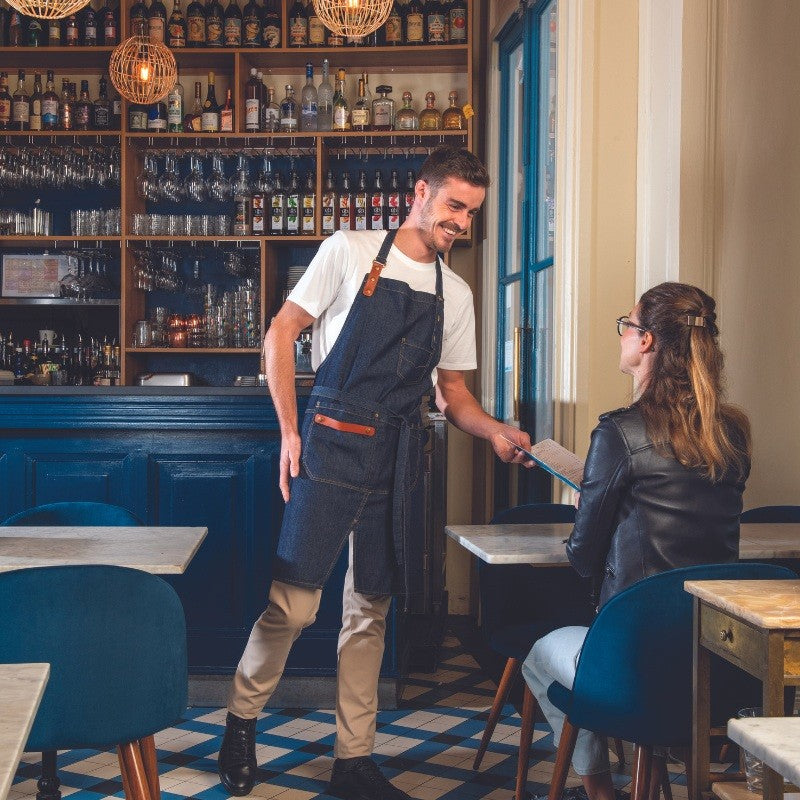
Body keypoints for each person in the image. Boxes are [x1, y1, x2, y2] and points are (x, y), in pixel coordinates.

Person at [218, 147, 533, 800]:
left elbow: (454, 397)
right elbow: (281, 333)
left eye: (471, 213)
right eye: (453, 206)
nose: (461, 224)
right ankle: (241, 719)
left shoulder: (459, 295)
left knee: (369, 612)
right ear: (421, 192)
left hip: (398, 457)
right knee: (294, 605)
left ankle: (353, 759)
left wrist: (496, 430)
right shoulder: (350, 249)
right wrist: (287, 431)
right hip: (331, 446)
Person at [521, 282, 751, 800]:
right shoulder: (732, 434)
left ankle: (602, 792)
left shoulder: (619, 433)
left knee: (539, 654)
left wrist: (590, 507)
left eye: (627, 323)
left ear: (646, 341)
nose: (623, 332)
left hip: (634, 659)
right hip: (719, 660)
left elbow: (582, 559)